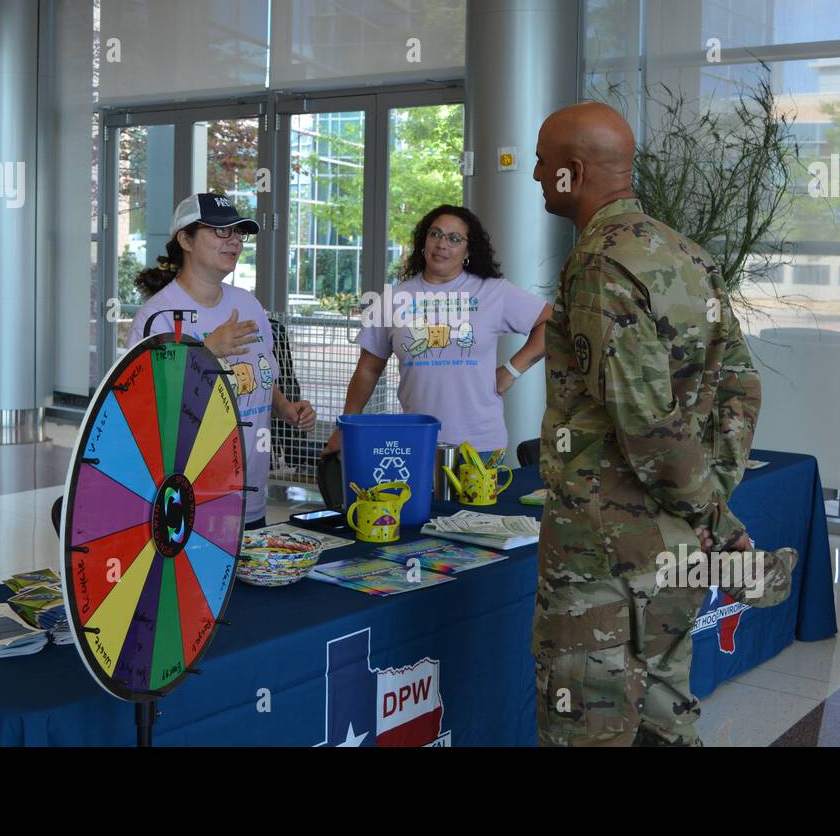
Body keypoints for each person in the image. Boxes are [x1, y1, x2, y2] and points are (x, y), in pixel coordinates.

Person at [531, 101, 794, 746]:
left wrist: (715, 521)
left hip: (602, 558)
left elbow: (645, 423)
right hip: (675, 551)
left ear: (571, 172)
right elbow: (738, 389)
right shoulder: (688, 256)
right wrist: (707, 510)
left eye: (541, 160)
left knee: (588, 727)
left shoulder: (599, 266)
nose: (535, 173)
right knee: (666, 714)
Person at [128, 192, 316, 527]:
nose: (233, 241)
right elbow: (142, 407)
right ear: (185, 239)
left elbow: (262, 379)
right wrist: (207, 351)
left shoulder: (249, 305)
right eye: (219, 231)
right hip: (188, 501)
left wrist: (285, 408)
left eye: (237, 232)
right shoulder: (158, 316)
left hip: (251, 496)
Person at [322, 204, 552, 461]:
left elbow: (551, 322)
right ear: (424, 242)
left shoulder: (493, 292)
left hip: (479, 442)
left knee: (473, 504)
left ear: (468, 250)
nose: (442, 244)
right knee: (417, 503)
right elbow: (368, 369)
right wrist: (344, 427)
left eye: (454, 239)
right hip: (416, 441)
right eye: (435, 234)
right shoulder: (395, 298)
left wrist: (510, 371)